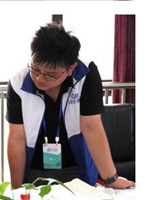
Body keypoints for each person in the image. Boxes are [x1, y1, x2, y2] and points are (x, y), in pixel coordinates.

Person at [7, 22, 134, 189]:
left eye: (50, 74)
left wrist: (111, 179)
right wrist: (16, 189)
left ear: (70, 69)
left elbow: (91, 127)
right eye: (35, 69)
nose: (39, 78)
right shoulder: (18, 82)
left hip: (77, 168)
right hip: (35, 170)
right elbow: (17, 138)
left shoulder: (85, 75)